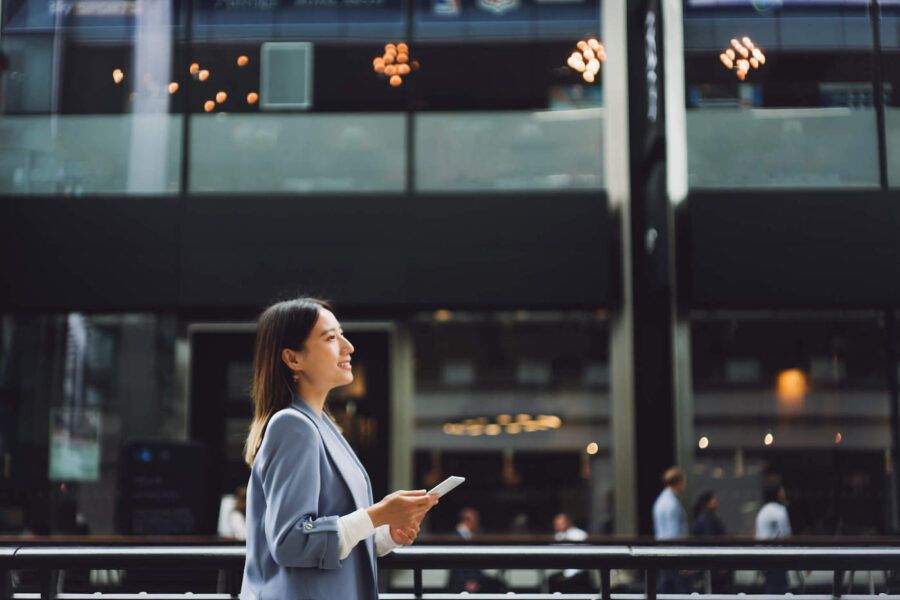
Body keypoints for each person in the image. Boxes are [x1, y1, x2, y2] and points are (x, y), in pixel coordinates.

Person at [240, 298, 439, 600]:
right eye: (331, 337)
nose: (348, 347)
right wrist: (377, 515)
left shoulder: (323, 425)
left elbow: (331, 539)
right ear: (293, 359)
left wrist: (385, 535)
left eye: (341, 334)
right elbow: (291, 542)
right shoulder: (294, 426)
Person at [447, 508, 506, 593]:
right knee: (497, 585)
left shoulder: (469, 535)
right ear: (467, 520)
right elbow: (458, 564)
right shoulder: (456, 537)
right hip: (463, 581)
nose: (477, 523)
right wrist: (469, 580)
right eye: (476, 520)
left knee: (497, 582)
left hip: (474, 576)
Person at [652, 467, 691, 594]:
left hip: (662, 551)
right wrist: (683, 559)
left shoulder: (660, 501)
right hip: (674, 554)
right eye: (684, 482)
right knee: (680, 590)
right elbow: (674, 533)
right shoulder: (672, 504)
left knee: (665, 590)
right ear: (679, 482)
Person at [755, 482, 792, 594]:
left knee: (771, 588)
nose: (784, 493)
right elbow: (786, 534)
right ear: (777, 493)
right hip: (777, 555)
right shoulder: (779, 510)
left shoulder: (763, 510)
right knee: (780, 589)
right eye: (782, 491)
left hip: (764, 555)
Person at [692, 491, 730, 592]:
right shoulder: (706, 518)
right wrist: (721, 563)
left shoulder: (708, 517)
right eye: (714, 499)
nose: (716, 501)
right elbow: (710, 541)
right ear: (707, 502)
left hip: (712, 564)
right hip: (712, 565)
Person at [548, 512, 591, 593]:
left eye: (560, 523)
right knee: (551, 580)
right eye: (556, 524)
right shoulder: (559, 535)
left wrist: (567, 575)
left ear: (568, 522)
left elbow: (581, 558)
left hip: (579, 571)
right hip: (564, 570)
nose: (557, 526)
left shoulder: (579, 534)